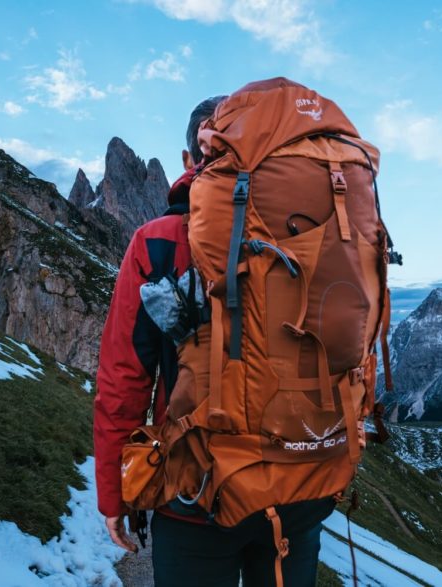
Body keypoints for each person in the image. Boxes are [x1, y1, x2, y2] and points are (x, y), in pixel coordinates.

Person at [93, 96, 336, 587]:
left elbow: (124, 380)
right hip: (297, 487)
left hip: (194, 493)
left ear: (189, 160)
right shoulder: (314, 232)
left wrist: (114, 496)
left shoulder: (158, 240)